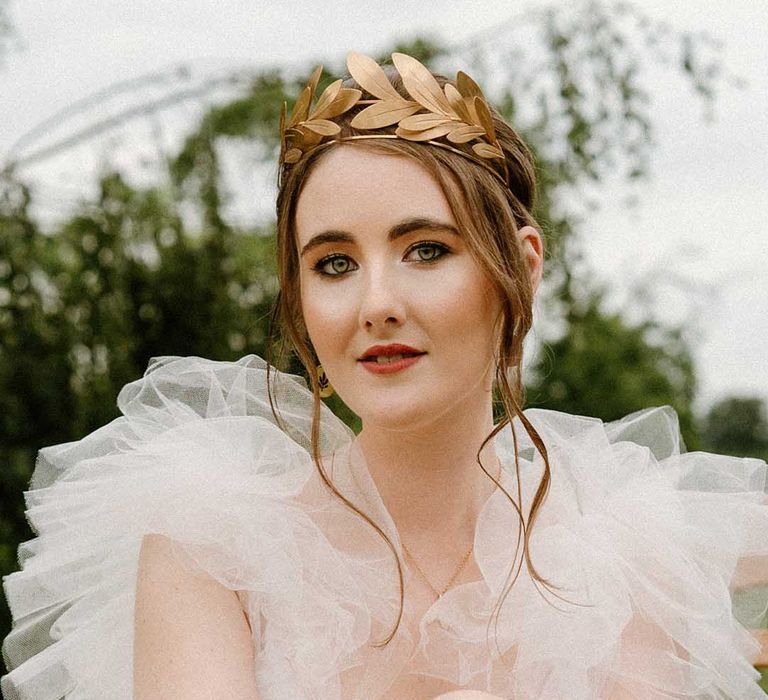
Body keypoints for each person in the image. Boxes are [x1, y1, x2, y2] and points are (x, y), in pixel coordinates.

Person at [1, 51, 767, 700]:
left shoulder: (624, 561)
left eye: (426, 249)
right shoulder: (213, 546)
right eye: (333, 264)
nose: (375, 305)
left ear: (522, 268)